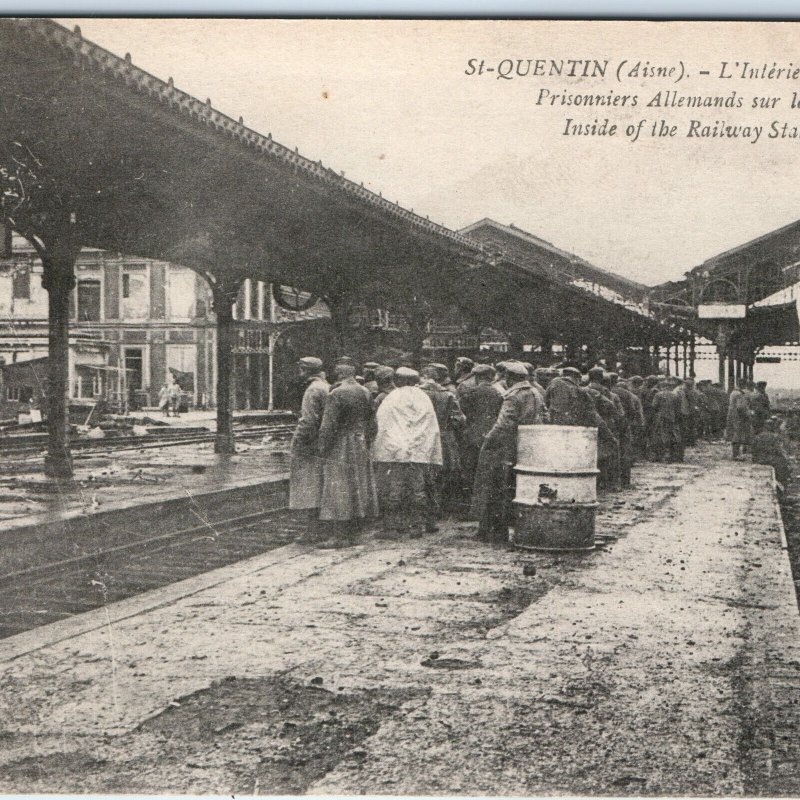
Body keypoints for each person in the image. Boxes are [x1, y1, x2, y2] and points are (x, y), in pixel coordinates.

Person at [471, 360, 544, 545]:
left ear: (509, 378)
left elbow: (504, 424)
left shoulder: (513, 396)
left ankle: (496, 532)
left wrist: (488, 440)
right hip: (527, 446)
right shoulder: (535, 392)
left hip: (506, 448)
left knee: (495, 489)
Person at [372, 367, 442, 538]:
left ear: (399, 380)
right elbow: (430, 426)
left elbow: (382, 423)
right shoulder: (423, 398)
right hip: (418, 453)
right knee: (418, 489)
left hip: (395, 453)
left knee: (393, 490)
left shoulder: (392, 398)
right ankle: (416, 526)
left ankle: (393, 527)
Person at [316, 362, 379, 547]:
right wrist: (366, 442)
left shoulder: (336, 394)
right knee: (358, 486)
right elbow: (373, 423)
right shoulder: (365, 392)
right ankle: (356, 532)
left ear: (339, 375)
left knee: (338, 487)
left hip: (341, 444)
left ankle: (339, 536)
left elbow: (328, 426)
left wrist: (322, 448)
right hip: (360, 442)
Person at [288, 357, 330, 542]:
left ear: (305, 370)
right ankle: (320, 527)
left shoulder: (312, 390)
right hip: (322, 443)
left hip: (310, 445)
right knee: (320, 485)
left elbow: (308, 421)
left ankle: (312, 530)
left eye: (301, 368)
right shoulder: (325, 386)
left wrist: (298, 442)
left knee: (308, 487)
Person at [420, 364, 466, 518]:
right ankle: (438, 508)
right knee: (443, 473)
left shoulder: (419, 392)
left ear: (425, 376)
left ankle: (426, 509)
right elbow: (460, 419)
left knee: (424, 473)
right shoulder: (447, 394)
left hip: (423, 437)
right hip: (444, 437)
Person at [459, 364, 503, 504]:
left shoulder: (471, 393)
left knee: (469, 471)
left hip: (472, 437)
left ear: (477, 377)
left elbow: (461, 414)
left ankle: (468, 506)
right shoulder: (499, 394)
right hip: (492, 437)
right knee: (488, 473)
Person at [752, 416, 791, 493]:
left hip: (758, 459)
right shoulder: (774, 437)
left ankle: (782, 484)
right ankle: (783, 485)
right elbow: (779, 451)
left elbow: (753, 450)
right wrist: (786, 459)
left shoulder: (758, 436)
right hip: (768, 459)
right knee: (782, 463)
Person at [650, 377, 684, 463]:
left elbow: (654, 406)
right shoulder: (675, 395)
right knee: (672, 435)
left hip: (660, 417)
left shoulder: (658, 394)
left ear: (663, 386)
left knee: (659, 435)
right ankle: (671, 455)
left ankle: (660, 455)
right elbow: (678, 409)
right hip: (672, 418)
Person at [726, 378, 753, 459]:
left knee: (735, 433)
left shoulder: (733, 392)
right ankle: (736, 455)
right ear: (743, 385)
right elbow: (740, 407)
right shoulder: (740, 394)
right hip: (738, 416)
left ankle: (735, 454)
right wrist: (747, 415)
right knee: (737, 434)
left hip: (732, 415)